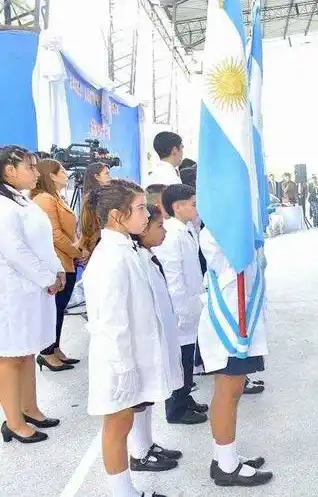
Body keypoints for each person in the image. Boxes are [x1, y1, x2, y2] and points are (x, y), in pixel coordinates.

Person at [82, 179, 175, 497]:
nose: (146, 215)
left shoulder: (127, 249)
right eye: (138, 209)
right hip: (117, 361)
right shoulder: (111, 258)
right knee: (117, 425)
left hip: (128, 356)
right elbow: (110, 323)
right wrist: (123, 368)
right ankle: (122, 492)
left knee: (122, 422)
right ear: (115, 216)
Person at [198, 225, 273, 486]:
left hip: (241, 321)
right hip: (230, 323)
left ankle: (224, 456)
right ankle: (227, 467)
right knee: (228, 393)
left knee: (233, 391)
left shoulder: (227, 227)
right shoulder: (217, 232)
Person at [0, 146, 64, 445]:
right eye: (30, 167)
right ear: (9, 170)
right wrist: (46, 277)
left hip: (32, 287)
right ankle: (13, 422)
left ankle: (30, 408)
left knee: (25, 352)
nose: (36, 173)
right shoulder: (3, 205)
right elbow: (14, 252)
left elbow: (42, 243)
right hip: (13, 291)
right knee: (11, 357)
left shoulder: (21, 201)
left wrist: (56, 272)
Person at [128, 204, 184, 472]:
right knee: (139, 397)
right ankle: (139, 453)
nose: (164, 231)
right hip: (139, 341)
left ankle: (148, 444)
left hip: (155, 335)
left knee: (148, 395)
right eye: (159, 226)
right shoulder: (132, 258)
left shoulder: (145, 254)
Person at [154, 184, 208, 425]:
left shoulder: (185, 229)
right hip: (180, 307)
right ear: (177, 207)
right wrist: (182, 311)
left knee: (187, 357)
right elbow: (173, 277)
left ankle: (185, 398)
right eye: (193, 204)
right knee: (179, 360)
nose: (197, 208)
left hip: (190, 302)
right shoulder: (172, 234)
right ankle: (176, 409)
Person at [31, 159, 85, 371]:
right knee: (54, 308)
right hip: (59, 259)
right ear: (51, 175)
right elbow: (55, 234)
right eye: (61, 170)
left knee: (60, 308)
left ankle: (55, 348)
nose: (66, 173)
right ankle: (46, 352)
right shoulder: (44, 199)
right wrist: (77, 252)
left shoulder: (55, 197)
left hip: (67, 258)